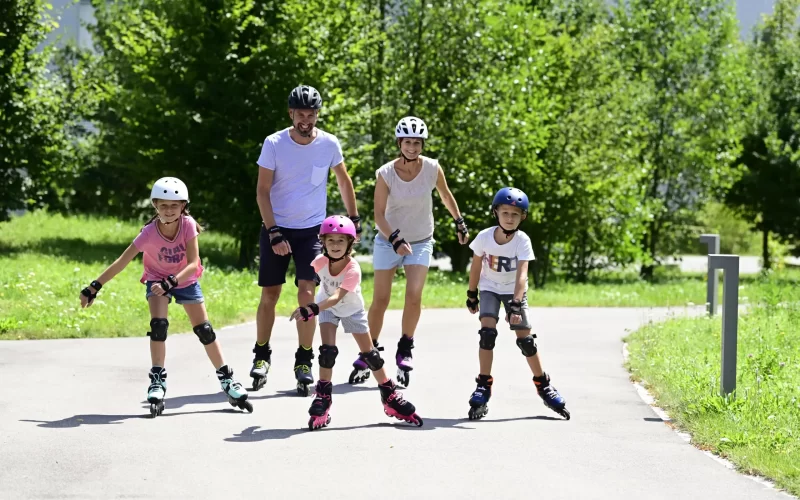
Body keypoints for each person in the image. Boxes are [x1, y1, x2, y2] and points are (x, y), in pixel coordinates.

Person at [78, 177, 252, 417]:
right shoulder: (148, 233)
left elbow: (193, 264)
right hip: (156, 278)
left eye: (174, 205)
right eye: (163, 205)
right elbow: (122, 261)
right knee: (158, 326)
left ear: (183, 206)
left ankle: (227, 380)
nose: (169, 211)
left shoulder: (188, 225)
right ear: (155, 206)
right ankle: (157, 381)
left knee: (205, 330)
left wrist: (172, 281)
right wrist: (94, 286)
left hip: (185, 279)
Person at [253, 84, 360, 396]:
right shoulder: (274, 143)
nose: (306, 119)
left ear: (317, 114)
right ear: (291, 113)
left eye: (311, 114)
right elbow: (262, 191)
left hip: (313, 231)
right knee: (270, 293)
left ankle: (304, 359)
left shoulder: (328, 143)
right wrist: (273, 231)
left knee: (307, 291)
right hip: (277, 226)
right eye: (300, 114)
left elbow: (343, 179)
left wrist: (353, 220)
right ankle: (261, 354)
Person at [351, 116, 468, 388]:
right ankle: (368, 350)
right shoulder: (386, 173)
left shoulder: (432, 168)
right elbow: (378, 215)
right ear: (399, 143)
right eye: (408, 142)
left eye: (417, 142)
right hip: (387, 240)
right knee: (381, 299)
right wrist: (394, 238)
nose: (413, 147)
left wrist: (459, 222)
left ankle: (405, 348)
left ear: (422, 144)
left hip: (420, 239)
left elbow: (446, 195)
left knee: (414, 295)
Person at [289, 215, 422, 429]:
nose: (335, 245)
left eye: (340, 240)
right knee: (327, 351)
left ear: (350, 243)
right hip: (327, 308)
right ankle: (323, 396)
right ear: (322, 242)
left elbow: (338, 296)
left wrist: (311, 308)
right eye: (330, 240)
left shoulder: (353, 268)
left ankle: (389, 395)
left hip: (351, 309)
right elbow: (311, 283)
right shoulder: (319, 262)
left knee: (370, 355)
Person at [464, 187, 570, 420]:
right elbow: (475, 266)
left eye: (515, 214)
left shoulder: (522, 241)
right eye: (505, 213)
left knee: (526, 341)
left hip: (514, 291)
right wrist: (472, 293)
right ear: (496, 213)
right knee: (487, 334)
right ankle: (483, 384)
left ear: (522, 217)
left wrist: (515, 304)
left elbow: (522, 274)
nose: (509, 218)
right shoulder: (484, 237)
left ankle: (543, 384)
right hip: (490, 288)